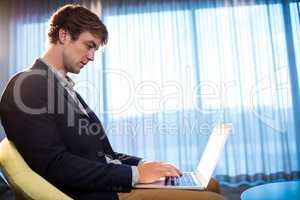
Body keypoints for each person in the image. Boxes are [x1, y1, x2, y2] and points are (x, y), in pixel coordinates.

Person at [0, 4, 225, 200]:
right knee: (211, 197)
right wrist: (136, 176)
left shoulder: (64, 88)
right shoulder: (28, 85)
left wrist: (145, 165)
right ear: (64, 35)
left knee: (210, 183)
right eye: (89, 46)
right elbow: (54, 165)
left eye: (95, 49)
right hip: (94, 193)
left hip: (105, 183)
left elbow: (104, 154)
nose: (92, 57)